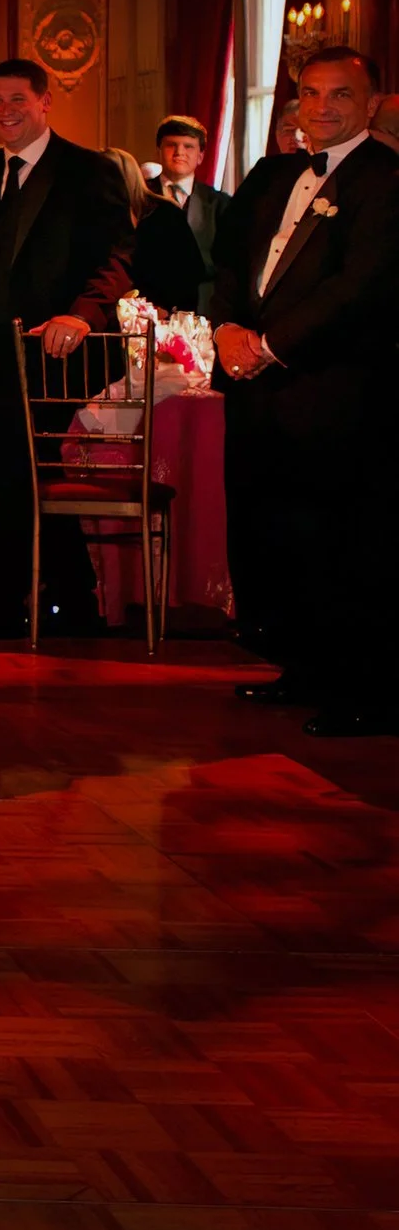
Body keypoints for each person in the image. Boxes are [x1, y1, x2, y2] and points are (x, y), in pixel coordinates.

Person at [210, 47, 399, 737]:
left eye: (341, 95)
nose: (324, 108)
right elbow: (226, 261)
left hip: (337, 388)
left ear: (370, 104)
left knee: (346, 540)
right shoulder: (271, 173)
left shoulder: (387, 180)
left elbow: (359, 286)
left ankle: (369, 689)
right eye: (313, 94)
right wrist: (228, 325)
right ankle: (305, 666)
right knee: (277, 534)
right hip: (259, 392)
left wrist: (267, 345)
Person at [0, 60, 134, 638]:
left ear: (45, 103)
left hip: (67, 350)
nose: (6, 110)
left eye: (18, 98)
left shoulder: (89, 170)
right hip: (0, 352)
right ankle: (74, 598)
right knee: (30, 464)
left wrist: (81, 315)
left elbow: (117, 257)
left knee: (9, 458)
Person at [106, 148, 207, 315]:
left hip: (160, 318)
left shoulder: (166, 214)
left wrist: (167, 309)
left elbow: (190, 271)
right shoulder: (95, 216)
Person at [151, 115, 228, 263]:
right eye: (171, 145)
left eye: (188, 146)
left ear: (200, 156)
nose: (179, 152)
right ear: (158, 151)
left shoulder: (220, 204)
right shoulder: (139, 196)